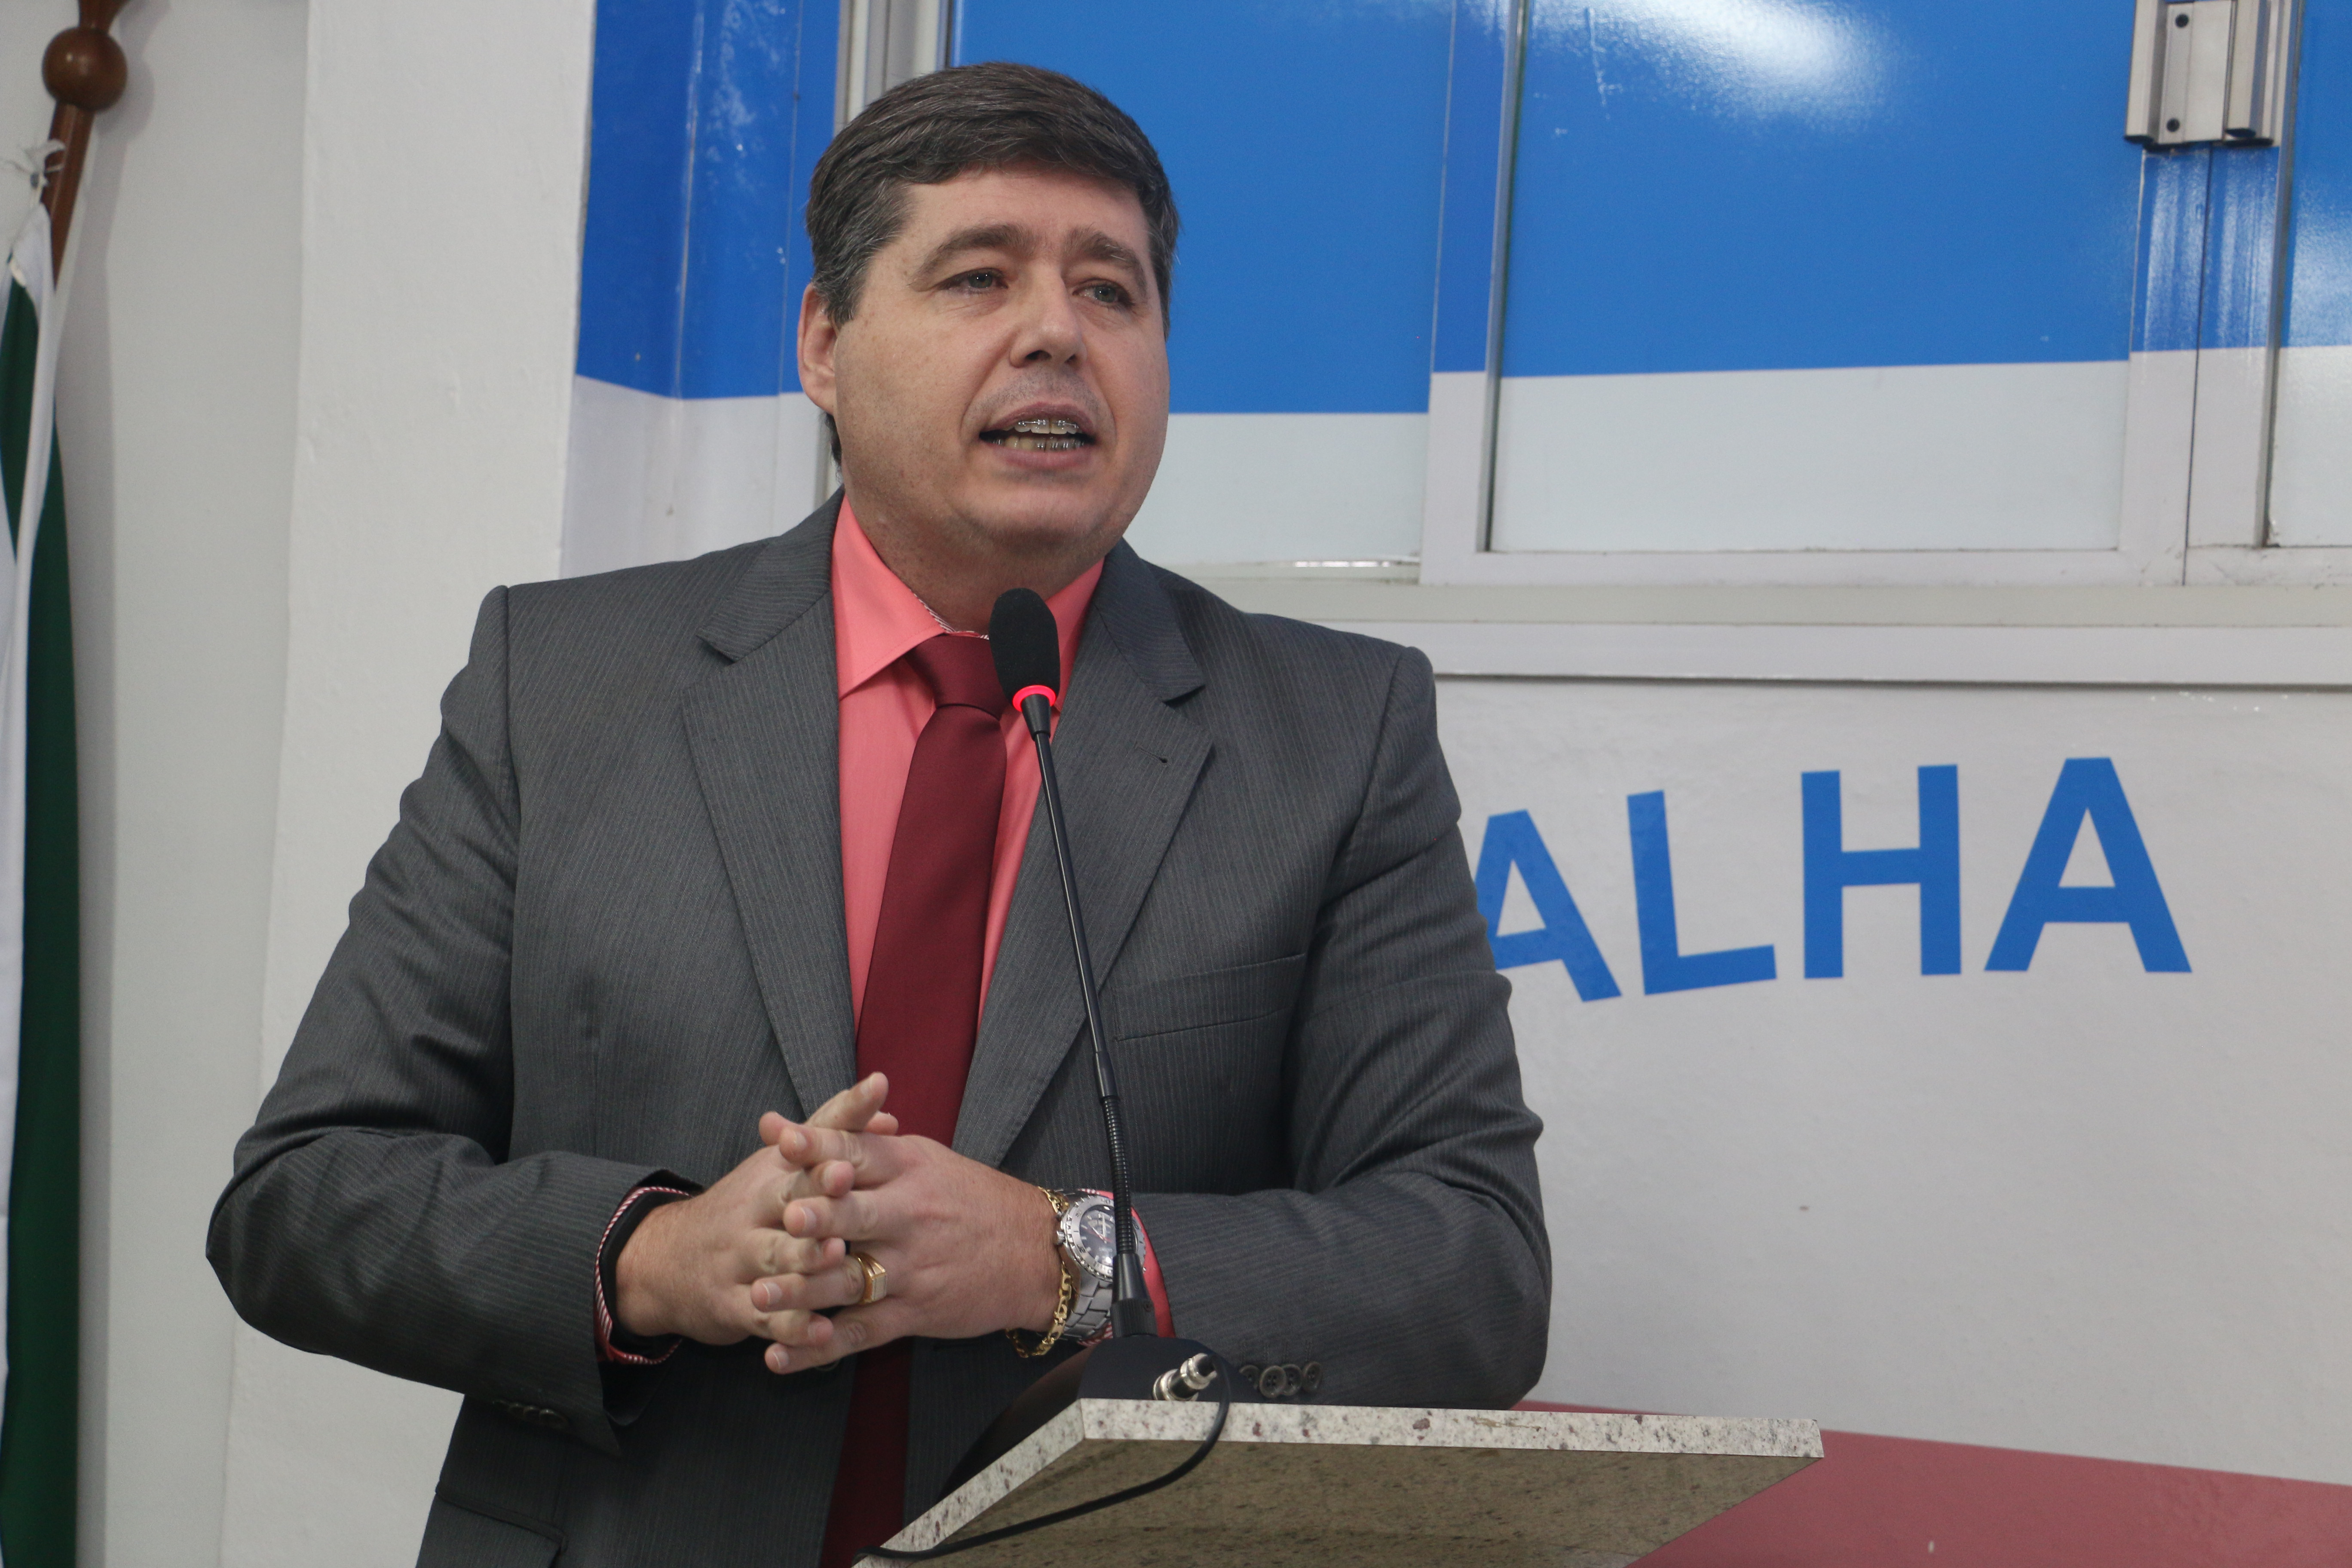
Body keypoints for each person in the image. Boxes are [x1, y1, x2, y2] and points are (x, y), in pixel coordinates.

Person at [208, 61, 1548, 1568]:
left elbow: (1474, 1270)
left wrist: (1055, 1255)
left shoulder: (1333, 734)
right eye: (979, 276)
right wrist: (656, 1258)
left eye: (1110, 290)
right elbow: (305, 1200)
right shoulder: (562, 685)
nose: (1057, 332)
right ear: (825, 345)